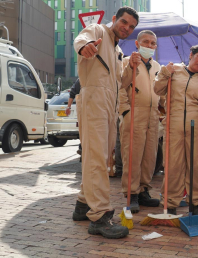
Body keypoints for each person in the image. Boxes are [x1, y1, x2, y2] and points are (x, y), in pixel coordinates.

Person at [72, 6, 140, 239]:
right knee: (97, 158)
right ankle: (99, 216)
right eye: (124, 22)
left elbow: (121, 82)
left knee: (100, 157)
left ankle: (83, 205)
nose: (127, 28)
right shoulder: (98, 30)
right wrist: (85, 47)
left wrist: (132, 68)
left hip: (109, 106)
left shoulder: (117, 49)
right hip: (93, 102)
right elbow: (81, 39)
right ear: (114, 19)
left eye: (131, 27)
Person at [154, 44, 198, 216]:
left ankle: (197, 203)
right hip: (173, 123)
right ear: (191, 54)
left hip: (197, 124)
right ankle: (170, 202)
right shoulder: (172, 70)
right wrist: (164, 74)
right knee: (172, 164)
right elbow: (157, 90)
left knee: (195, 165)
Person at [118, 30, 162, 213]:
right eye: (146, 42)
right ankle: (131, 193)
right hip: (134, 113)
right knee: (133, 156)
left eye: (152, 43)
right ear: (137, 44)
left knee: (149, 156)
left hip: (153, 115)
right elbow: (120, 86)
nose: (149, 46)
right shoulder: (127, 62)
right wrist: (126, 111)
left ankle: (144, 189)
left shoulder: (158, 66)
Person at [66, 78, 82, 155]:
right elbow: (72, 93)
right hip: (90, 109)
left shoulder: (80, 79)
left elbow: (72, 93)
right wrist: (68, 107)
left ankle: (82, 146)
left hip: (82, 109)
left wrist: (68, 107)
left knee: (83, 129)